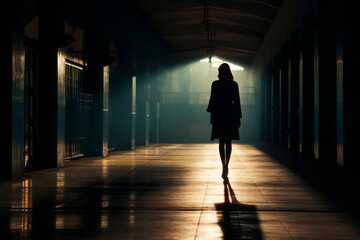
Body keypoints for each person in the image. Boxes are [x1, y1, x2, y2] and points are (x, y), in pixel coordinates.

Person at [206, 63, 242, 181]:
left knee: (221, 142)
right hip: (230, 114)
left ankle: (223, 165)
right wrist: (238, 118)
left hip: (219, 115)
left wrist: (212, 117)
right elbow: (237, 102)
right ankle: (227, 164)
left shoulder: (215, 84)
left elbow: (213, 101)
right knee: (229, 142)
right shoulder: (233, 84)